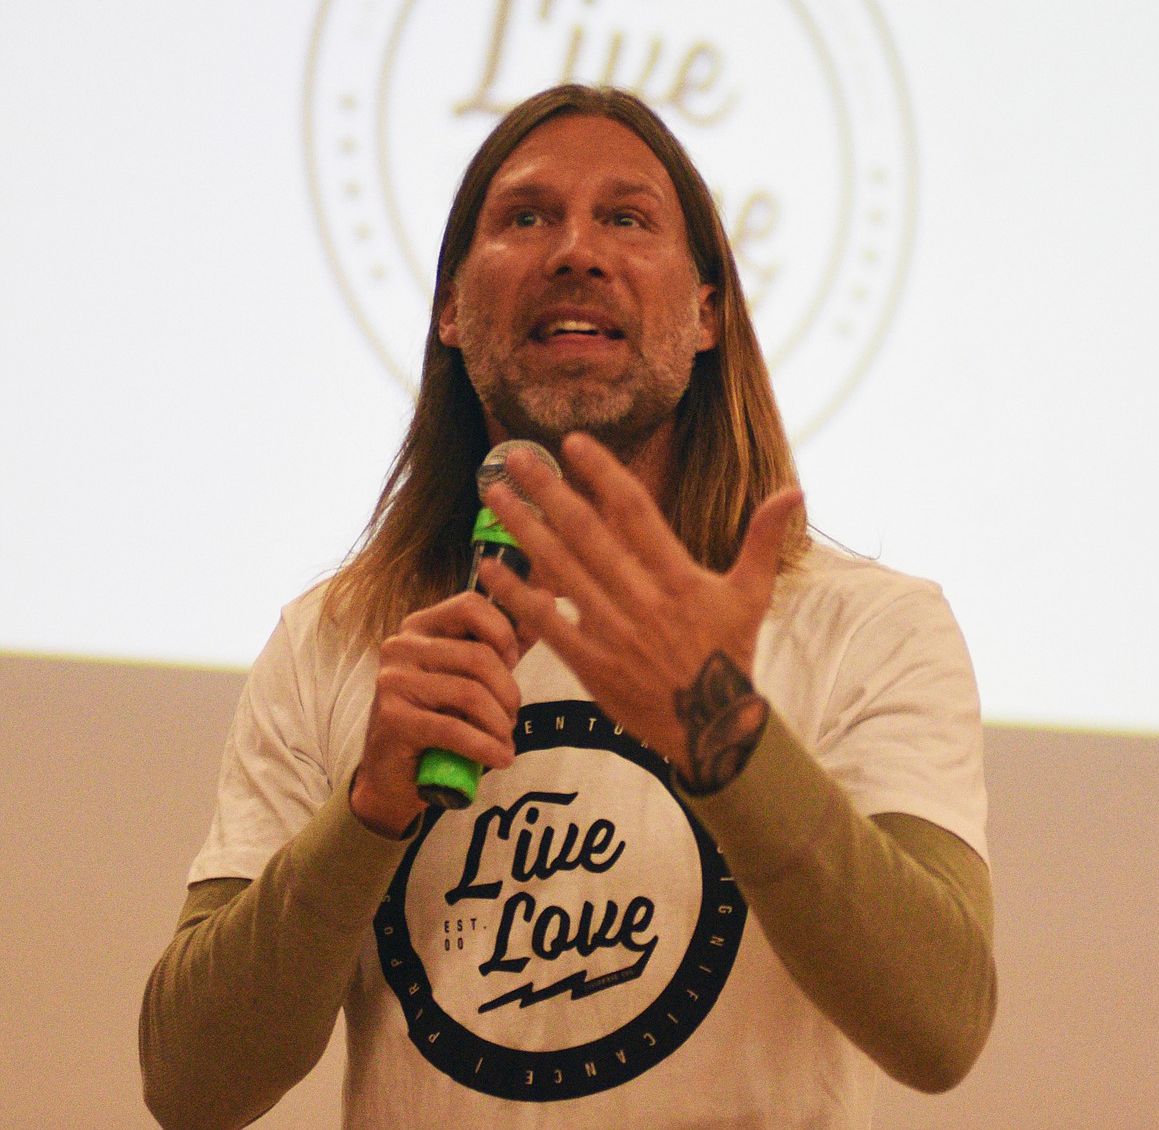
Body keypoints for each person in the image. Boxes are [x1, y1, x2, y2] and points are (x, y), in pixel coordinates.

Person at [140, 84, 995, 1130]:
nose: (576, 251)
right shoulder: (337, 638)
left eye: (628, 218)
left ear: (708, 314)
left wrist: (726, 734)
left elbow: (941, 1025)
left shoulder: (867, 627)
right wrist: (364, 817)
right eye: (525, 217)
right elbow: (190, 1084)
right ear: (451, 310)